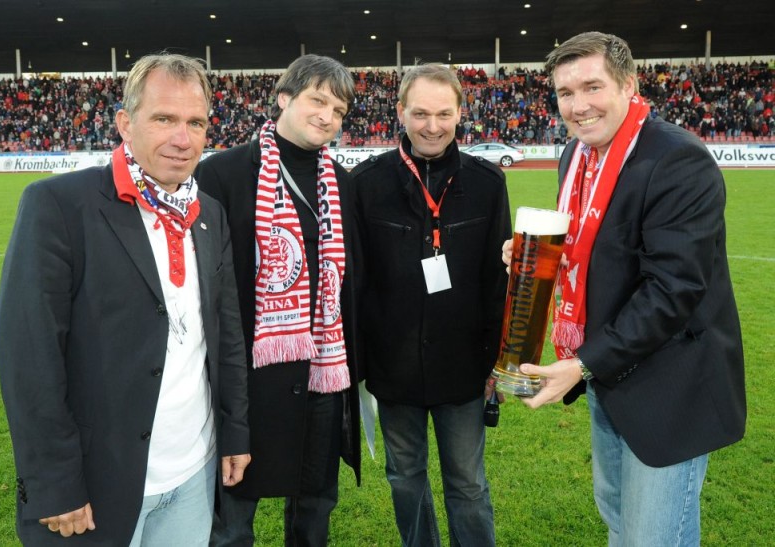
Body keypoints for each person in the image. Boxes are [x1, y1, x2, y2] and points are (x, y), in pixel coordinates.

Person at [0, 53, 251, 545]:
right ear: (125, 124)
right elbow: (29, 358)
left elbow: (226, 335)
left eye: (196, 123)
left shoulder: (208, 213)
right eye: (164, 119)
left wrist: (234, 431)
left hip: (195, 472)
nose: (183, 138)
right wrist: (53, 481)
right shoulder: (58, 206)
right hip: (97, 483)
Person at [503, 32, 746, 545]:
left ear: (629, 85)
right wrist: (536, 258)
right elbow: (595, 247)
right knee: (620, 525)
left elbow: (673, 289)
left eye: (592, 87)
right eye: (565, 93)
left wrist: (583, 364)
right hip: (610, 377)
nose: (578, 106)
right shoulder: (575, 155)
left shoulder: (678, 158)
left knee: (654, 537)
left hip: (669, 388)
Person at [195, 54, 361, 546]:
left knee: (315, 503)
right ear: (284, 97)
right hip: (247, 371)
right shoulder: (221, 174)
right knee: (233, 514)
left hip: (321, 369)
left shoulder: (342, 183)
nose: (327, 116)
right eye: (318, 100)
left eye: (338, 110)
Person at [352, 64, 510, 546]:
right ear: (400, 111)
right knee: (405, 479)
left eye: (444, 114)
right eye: (420, 113)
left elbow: (498, 282)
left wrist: (499, 363)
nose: (432, 126)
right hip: (393, 369)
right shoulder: (366, 183)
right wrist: (359, 364)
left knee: (468, 484)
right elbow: (355, 283)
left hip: (464, 368)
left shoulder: (488, 183)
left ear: (461, 112)